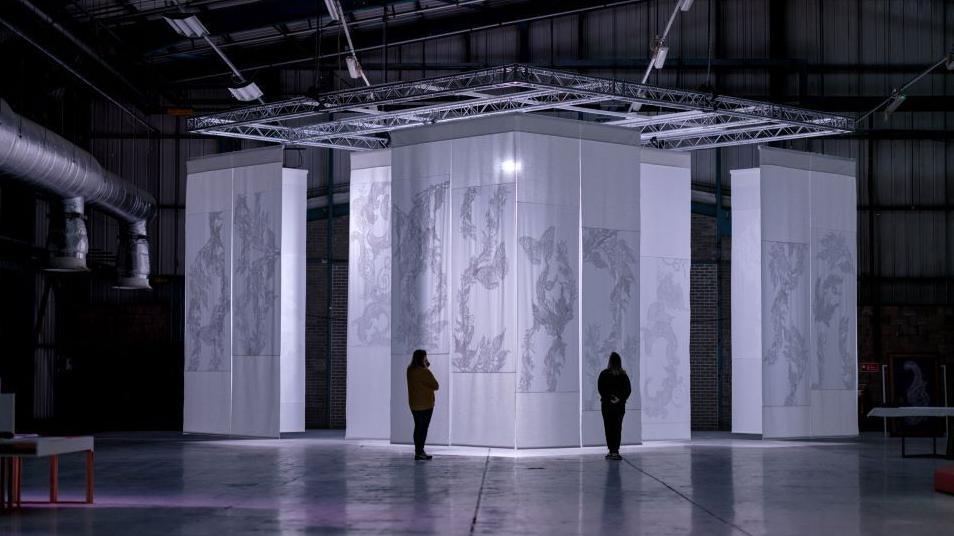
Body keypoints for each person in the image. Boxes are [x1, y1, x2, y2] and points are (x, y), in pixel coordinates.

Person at [598, 352, 631, 460]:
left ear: (610, 361)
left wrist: (609, 398)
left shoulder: (604, 374)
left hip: (606, 406)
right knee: (617, 428)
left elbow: (601, 389)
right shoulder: (623, 375)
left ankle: (611, 451)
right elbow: (628, 390)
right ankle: (615, 451)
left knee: (608, 427)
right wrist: (619, 399)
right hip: (619, 407)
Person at [407, 349, 439, 460]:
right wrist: (426, 367)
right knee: (423, 429)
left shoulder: (410, 370)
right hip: (426, 404)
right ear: (422, 358)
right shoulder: (425, 372)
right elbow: (436, 385)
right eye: (425, 357)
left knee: (417, 427)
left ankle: (418, 451)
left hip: (414, 404)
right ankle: (420, 452)